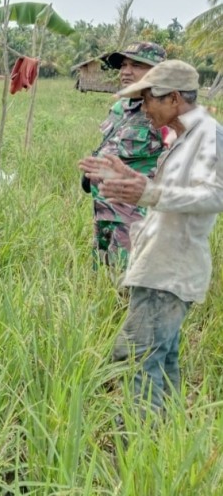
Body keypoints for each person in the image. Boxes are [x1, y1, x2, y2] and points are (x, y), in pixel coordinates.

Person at [80, 60, 223, 415]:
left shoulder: (209, 136)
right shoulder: (183, 138)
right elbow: (174, 192)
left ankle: (135, 444)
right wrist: (131, 176)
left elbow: (216, 194)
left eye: (148, 99)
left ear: (173, 98)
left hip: (170, 269)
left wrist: (149, 193)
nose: (143, 108)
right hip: (159, 263)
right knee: (161, 360)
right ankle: (165, 438)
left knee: (135, 359)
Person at [84, 42, 167, 270]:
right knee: (101, 279)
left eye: (137, 65)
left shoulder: (168, 111)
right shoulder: (122, 106)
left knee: (127, 284)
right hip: (104, 211)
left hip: (135, 219)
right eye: (124, 65)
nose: (126, 71)